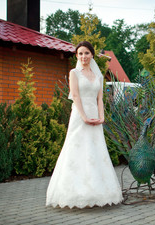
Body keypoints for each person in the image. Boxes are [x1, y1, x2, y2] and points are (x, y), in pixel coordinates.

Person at [46, 41, 123, 209]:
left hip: (95, 117)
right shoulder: (74, 73)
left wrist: (102, 117)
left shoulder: (99, 76)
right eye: (80, 53)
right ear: (77, 56)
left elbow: (100, 99)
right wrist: (84, 117)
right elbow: (75, 95)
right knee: (77, 150)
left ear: (92, 55)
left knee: (95, 151)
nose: (83, 56)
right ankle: (74, 193)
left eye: (86, 53)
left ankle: (97, 192)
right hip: (80, 116)